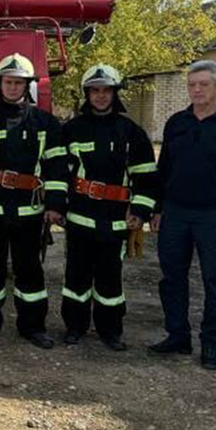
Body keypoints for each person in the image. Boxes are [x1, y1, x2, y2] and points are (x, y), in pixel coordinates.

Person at [150, 59, 216, 371]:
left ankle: (211, 343)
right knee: (172, 278)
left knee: (215, 280)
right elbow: (164, 169)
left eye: (204, 84)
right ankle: (177, 336)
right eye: (192, 85)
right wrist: (158, 208)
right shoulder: (176, 123)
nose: (197, 90)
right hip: (176, 213)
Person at [0, 54, 68, 349]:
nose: (13, 87)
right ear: (0, 84)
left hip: (30, 212)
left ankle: (33, 326)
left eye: (19, 83)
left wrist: (55, 205)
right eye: (9, 82)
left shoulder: (45, 123)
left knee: (30, 271)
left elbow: (56, 168)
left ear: (27, 85)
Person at [59, 65, 158, 351]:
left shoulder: (131, 132)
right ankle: (74, 327)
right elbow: (59, 174)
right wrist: (58, 207)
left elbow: (146, 177)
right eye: (94, 90)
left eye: (106, 90)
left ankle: (110, 330)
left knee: (109, 278)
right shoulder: (71, 130)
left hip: (116, 220)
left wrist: (139, 211)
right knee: (76, 276)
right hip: (79, 217)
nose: (100, 96)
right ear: (86, 94)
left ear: (115, 93)